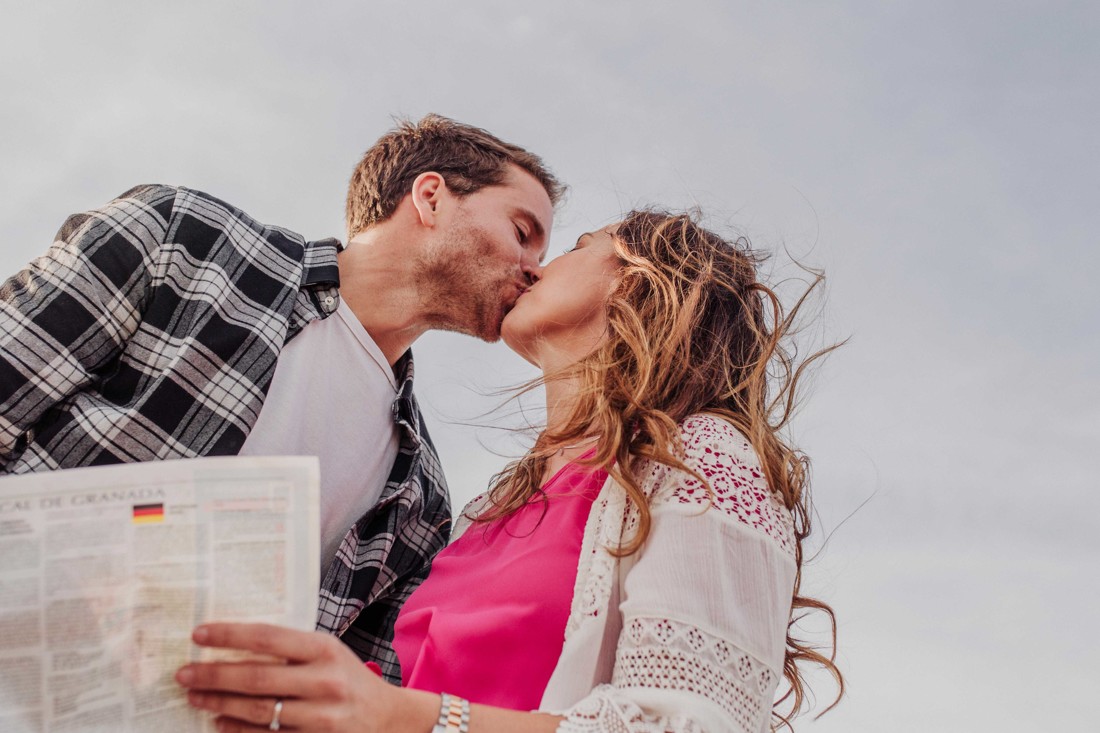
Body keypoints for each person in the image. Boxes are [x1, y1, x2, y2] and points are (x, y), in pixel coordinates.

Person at [175, 210, 843, 732]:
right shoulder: (491, 506)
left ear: (636, 279)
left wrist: (395, 715)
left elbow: (688, 722)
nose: (538, 265)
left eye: (580, 244)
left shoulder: (699, 457)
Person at [0, 114, 564, 677]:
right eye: (522, 232)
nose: (536, 271)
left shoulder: (421, 497)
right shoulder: (187, 240)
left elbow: (344, 694)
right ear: (431, 197)